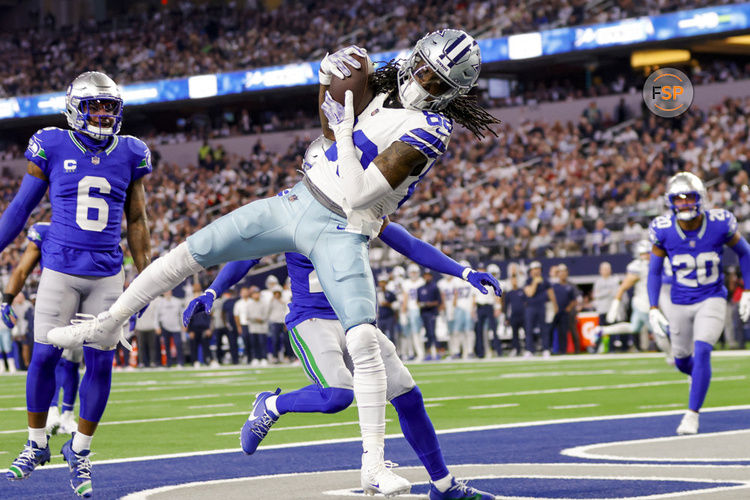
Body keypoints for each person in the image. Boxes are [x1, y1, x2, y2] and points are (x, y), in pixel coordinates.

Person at [47, 30, 499, 496]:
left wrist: (343, 131)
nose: (424, 82)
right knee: (191, 251)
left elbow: (357, 193)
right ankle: (107, 324)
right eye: (423, 69)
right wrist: (326, 77)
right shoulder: (381, 91)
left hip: (343, 226)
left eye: (437, 82)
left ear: (453, 93)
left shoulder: (432, 128)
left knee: (366, 341)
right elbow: (328, 126)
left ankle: (381, 468)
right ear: (413, 58)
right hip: (298, 205)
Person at [183, 219, 500, 499]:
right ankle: (270, 406)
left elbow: (410, 244)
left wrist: (464, 271)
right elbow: (248, 256)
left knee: (408, 395)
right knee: (338, 395)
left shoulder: (359, 203)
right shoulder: (294, 208)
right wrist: (213, 291)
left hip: (356, 319)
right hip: (312, 319)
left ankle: (443, 485)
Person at [0, 71, 152, 498]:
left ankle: (80, 448)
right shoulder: (51, 143)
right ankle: (34, 445)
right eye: (94, 106)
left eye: (109, 106)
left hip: (107, 273)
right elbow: (19, 208)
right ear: (74, 108)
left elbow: (137, 219)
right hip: (60, 270)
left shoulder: (132, 151)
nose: (102, 114)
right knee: (43, 357)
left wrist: (146, 277)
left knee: (101, 363)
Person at [647, 172, 750, 435]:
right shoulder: (663, 229)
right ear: (671, 202)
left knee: (702, 350)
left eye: (689, 197)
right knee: (682, 360)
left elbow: (745, 253)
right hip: (679, 302)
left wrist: (748, 290)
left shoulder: (718, 223)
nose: (683, 204)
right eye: (678, 199)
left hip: (711, 297)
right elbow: (655, 271)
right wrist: (653, 307)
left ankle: (692, 415)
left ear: (700, 198)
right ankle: (699, 377)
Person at [596, 240, 671, 357]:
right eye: (644, 253)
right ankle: (672, 356)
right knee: (661, 331)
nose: (646, 256)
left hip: (655, 302)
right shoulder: (638, 266)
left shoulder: (663, 262)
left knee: (634, 327)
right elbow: (624, 286)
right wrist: (615, 305)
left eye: (648, 253)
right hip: (645, 304)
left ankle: (604, 330)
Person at [523, 261, 558, 357]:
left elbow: (551, 294)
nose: (536, 271)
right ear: (531, 271)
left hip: (542, 307)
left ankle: (546, 349)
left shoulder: (545, 281)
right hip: (530, 307)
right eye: (534, 269)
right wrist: (535, 282)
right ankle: (529, 350)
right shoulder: (528, 281)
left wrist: (555, 306)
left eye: (537, 269)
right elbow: (530, 293)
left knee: (544, 328)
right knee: (529, 329)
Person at [548, 264, 579, 354]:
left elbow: (574, 299)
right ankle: (550, 349)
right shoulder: (554, 285)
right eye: (560, 272)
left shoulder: (571, 285)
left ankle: (566, 350)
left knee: (566, 331)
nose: (562, 274)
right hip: (555, 312)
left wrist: (568, 309)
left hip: (566, 313)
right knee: (551, 330)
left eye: (564, 272)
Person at [592, 261, 619, 352]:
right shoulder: (598, 281)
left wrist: (605, 293)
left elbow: (616, 293)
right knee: (599, 329)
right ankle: (596, 347)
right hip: (602, 309)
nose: (606, 271)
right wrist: (608, 292)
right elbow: (596, 295)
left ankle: (612, 348)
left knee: (612, 329)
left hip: (611, 309)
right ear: (600, 271)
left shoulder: (614, 280)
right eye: (604, 269)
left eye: (607, 269)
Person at [154, 290, 186, 368]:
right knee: (166, 346)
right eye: (166, 291)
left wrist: (183, 324)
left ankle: (180, 362)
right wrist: (157, 327)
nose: (167, 293)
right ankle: (168, 363)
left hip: (176, 327)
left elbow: (181, 314)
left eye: (169, 291)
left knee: (178, 344)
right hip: (165, 327)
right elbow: (156, 316)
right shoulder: (160, 303)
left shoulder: (177, 301)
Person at [401, 264, 426, 361]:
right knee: (414, 333)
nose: (414, 274)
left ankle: (422, 353)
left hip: (422, 309)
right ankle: (419, 353)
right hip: (411, 309)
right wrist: (403, 312)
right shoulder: (406, 283)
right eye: (412, 272)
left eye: (415, 272)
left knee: (421, 332)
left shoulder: (421, 282)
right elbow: (405, 298)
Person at [417, 269, 442, 360]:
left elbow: (438, 301)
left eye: (429, 275)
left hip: (432, 312)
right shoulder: (420, 288)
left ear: (431, 276)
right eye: (426, 275)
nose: (427, 277)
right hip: (424, 313)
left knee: (432, 333)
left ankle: (438, 352)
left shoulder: (435, 287)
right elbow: (418, 301)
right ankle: (428, 353)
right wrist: (422, 304)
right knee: (427, 333)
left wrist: (429, 304)